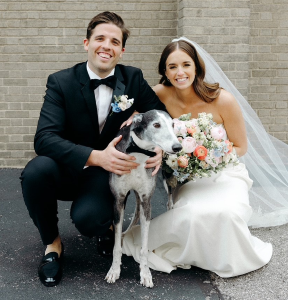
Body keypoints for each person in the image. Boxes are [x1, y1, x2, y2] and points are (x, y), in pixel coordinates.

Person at [20, 11, 166, 287]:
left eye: (114, 41)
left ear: (121, 50)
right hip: (67, 167)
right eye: (100, 38)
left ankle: (105, 227)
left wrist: (159, 146)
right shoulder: (60, 81)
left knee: (89, 219)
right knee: (36, 171)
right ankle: (52, 246)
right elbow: (44, 138)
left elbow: (161, 114)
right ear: (86, 43)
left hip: (105, 176)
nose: (106, 46)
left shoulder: (132, 78)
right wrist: (95, 156)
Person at [122, 38, 288, 277]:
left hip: (225, 173)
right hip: (187, 179)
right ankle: (145, 241)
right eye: (172, 67)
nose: (180, 72)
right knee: (192, 215)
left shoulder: (222, 99)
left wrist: (206, 157)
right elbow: (137, 123)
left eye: (186, 65)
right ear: (164, 71)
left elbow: (241, 147)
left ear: (197, 67)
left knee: (227, 214)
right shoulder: (158, 95)